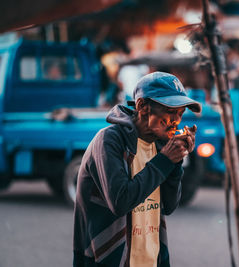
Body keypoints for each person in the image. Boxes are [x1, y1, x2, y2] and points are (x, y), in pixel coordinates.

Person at [73, 72, 202, 267]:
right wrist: (165, 160)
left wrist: (175, 161)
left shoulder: (160, 144)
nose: (176, 120)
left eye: (180, 113)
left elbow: (169, 205)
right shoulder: (110, 140)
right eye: (169, 111)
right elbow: (121, 201)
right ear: (142, 106)